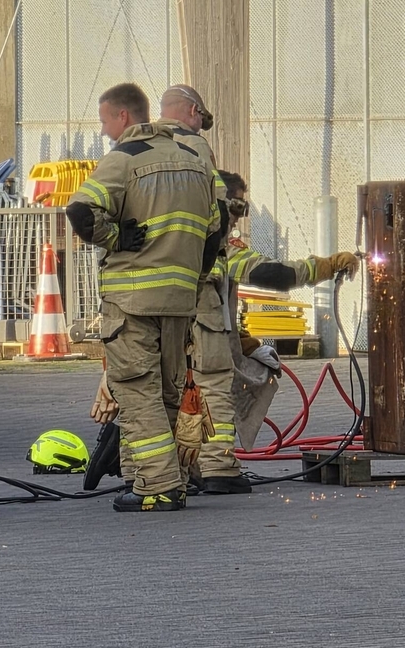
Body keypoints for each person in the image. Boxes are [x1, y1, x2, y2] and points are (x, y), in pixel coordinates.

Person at [84, 171, 359, 493]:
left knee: (150, 397)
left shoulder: (156, 241)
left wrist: (242, 341)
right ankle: (217, 468)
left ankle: (145, 473)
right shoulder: (211, 246)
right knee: (212, 392)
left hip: (154, 332)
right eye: (237, 207)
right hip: (199, 335)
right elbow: (274, 273)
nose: (239, 218)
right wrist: (328, 265)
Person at [67, 82, 224, 513]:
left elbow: (79, 211)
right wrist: (195, 278)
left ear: (124, 117)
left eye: (105, 122)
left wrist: (115, 237)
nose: (104, 131)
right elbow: (216, 228)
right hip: (180, 301)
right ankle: (159, 479)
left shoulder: (124, 159)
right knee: (170, 393)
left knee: (138, 392)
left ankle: (159, 486)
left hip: (132, 301)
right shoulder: (195, 161)